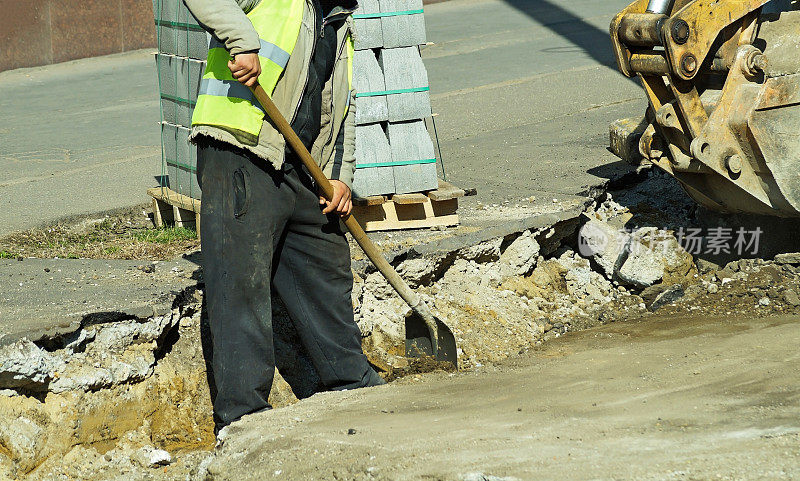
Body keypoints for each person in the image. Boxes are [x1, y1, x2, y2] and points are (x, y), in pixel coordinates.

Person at [183, 0, 384, 432]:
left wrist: (340, 177)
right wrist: (242, 40)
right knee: (240, 285)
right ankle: (244, 417)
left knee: (326, 269)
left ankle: (352, 381)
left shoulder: (341, 23)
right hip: (243, 151)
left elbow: (342, 110)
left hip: (303, 167)